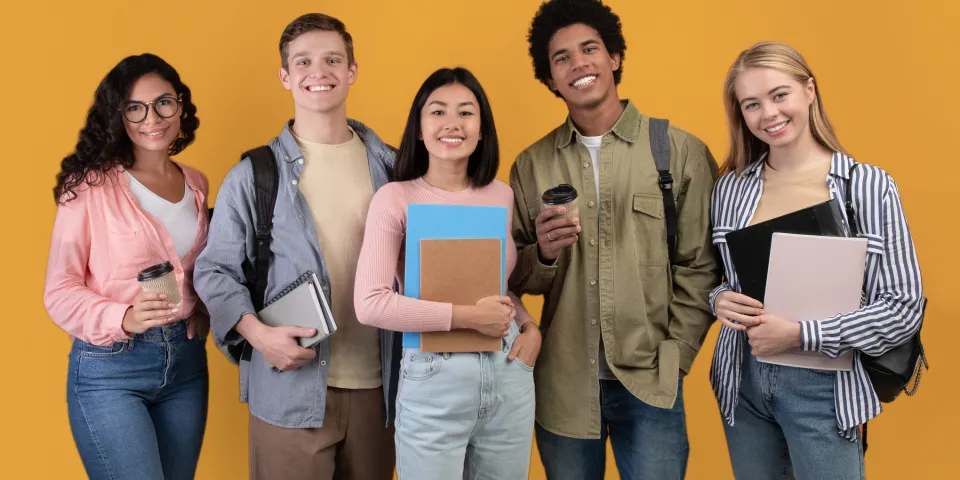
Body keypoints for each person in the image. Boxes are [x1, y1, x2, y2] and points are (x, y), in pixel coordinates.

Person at [509, 1, 722, 478]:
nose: (578, 63)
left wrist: (677, 356)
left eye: (590, 49)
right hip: (563, 385)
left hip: (651, 382)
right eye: (561, 57)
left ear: (614, 57)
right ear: (550, 78)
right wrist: (542, 254)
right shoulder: (530, 165)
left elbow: (702, 265)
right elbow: (512, 278)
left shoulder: (679, 151)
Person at [193, 13, 397, 480]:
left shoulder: (393, 166)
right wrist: (259, 335)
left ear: (352, 70)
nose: (318, 71)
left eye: (332, 59)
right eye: (303, 61)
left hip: (379, 390)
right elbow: (214, 271)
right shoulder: (254, 175)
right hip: (290, 389)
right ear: (285, 76)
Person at [709, 41, 926, 480]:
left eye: (779, 95)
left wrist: (801, 334)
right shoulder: (729, 188)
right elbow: (714, 278)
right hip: (743, 381)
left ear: (809, 90)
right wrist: (718, 299)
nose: (768, 114)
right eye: (752, 104)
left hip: (825, 387)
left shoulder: (866, 186)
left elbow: (904, 309)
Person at [354, 67, 541, 479]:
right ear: (419, 129)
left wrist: (529, 327)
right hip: (434, 374)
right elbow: (370, 304)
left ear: (482, 129)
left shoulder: (501, 194)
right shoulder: (395, 198)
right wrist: (469, 317)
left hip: (508, 370)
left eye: (466, 113)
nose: (453, 123)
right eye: (438, 112)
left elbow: (497, 285)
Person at [43, 53, 209, 480]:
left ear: (180, 105)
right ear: (118, 116)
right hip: (111, 369)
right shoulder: (89, 187)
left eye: (163, 103)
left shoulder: (196, 184)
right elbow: (59, 290)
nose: (152, 118)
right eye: (135, 108)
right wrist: (124, 317)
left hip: (187, 367)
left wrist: (205, 308)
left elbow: (202, 269)